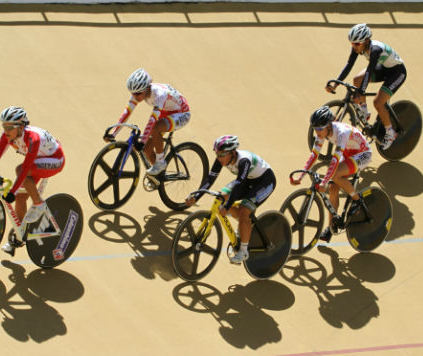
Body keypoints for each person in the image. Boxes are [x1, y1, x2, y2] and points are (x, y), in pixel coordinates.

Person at [0, 106, 65, 256]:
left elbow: (26, 167)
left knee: (20, 171)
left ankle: (39, 204)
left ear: (20, 127)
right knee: (20, 198)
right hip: (38, 163)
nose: (5, 130)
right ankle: (19, 236)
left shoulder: (33, 138)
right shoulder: (7, 136)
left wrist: (12, 190)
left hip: (55, 160)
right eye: (3, 126)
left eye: (9, 127)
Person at [185, 135, 276, 264]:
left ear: (233, 153)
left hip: (264, 182)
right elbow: (209, 179)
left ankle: (243, 251)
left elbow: (238, 185)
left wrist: (227, 207)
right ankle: (243, 223)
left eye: (222, 155)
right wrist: (196, 196)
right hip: (247, 180)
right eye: (217, 154)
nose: (219, 158)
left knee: (244, 211)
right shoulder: (220, 159)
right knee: (220, 197)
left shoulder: (244, 161)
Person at [292, 106, 372, 243]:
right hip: (348, 152)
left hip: (362, 154)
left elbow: (334, 160)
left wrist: (323, 182)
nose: (316, 132)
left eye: (319, 129)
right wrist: (301, 176)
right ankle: (330, 227)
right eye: (314, 129)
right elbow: (314, 155)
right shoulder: (323, 132)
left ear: (328, 126)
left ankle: (357, 200)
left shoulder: (341, 133)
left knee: (336, 175)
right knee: (333, 190)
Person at [326, 23, 407, 149]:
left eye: (357, 44)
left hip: (397, 72)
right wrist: (336, 83)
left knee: (378, 102)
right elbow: (349, 65)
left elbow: (369, 71)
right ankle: (365, 111)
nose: (354, 47)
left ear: (366, 41)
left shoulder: (375, 49)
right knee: (357, 79)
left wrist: (360, 93)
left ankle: (391, 133)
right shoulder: (358, 46)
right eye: (352, 44)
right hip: (384, 68)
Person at [104, 68, 191, 178]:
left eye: (138, 94)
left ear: (146, 89)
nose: (136, 97)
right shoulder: (139, 92)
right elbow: (127, 112)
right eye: (133, 94)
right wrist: (113, 133)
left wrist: (143, 141)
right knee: (147, 149)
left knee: (155, 128)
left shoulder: (159, 94)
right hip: (166, 111)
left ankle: (160, 163)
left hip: (182, 113)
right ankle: (159, 176)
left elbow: (152, 120)